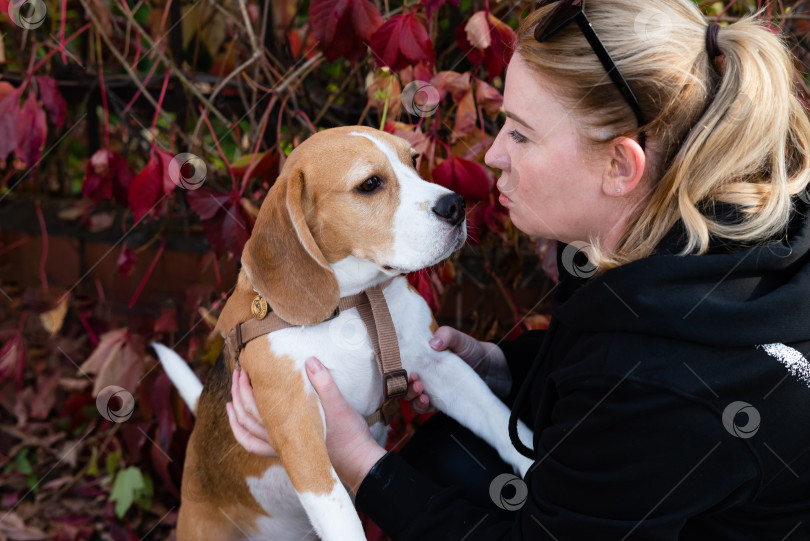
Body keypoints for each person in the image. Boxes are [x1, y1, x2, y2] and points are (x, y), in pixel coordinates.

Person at [225, 0, 810, 538]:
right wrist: (506, 366)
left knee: (431, 468)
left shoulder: (666, 389)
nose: (495, 152)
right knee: (448, 454)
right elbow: (604, 360)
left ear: (620, 166)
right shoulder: (686, 236)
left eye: (522, 134)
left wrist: (362, 466)